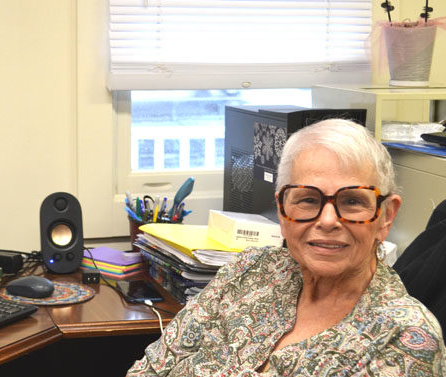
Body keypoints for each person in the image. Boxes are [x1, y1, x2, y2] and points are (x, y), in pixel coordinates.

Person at [127, 119, 446, 376]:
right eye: (308, 199)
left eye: (352, 201)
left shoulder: (405, 339)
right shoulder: (250, 271)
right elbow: (153, 366)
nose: (329, 220)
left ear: (386, 216)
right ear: (281, 210)